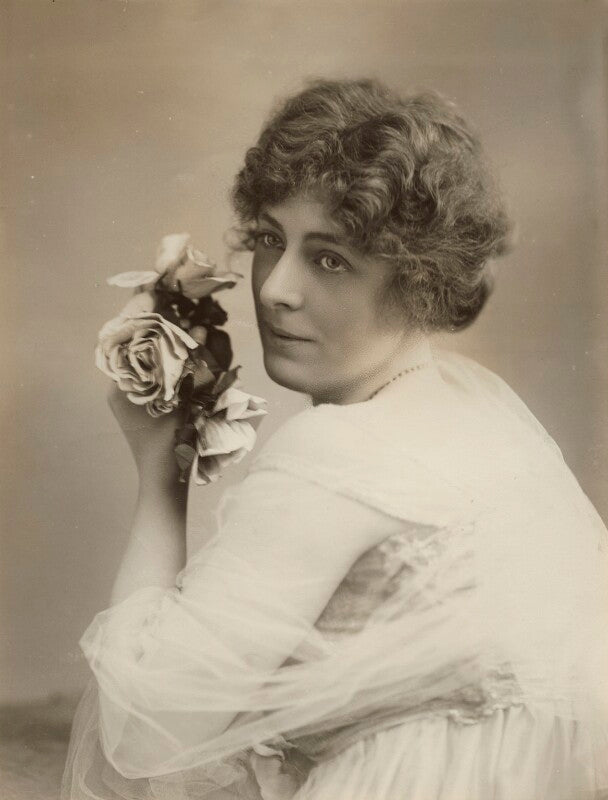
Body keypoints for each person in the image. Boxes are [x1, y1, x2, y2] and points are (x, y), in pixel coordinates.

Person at [61, 78, 608, 800]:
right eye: (269, 240)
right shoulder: (473, 399)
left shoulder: (339, 449)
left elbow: (146, 731)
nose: (274, 289)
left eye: (329, 259)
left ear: (418, 281)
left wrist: (159, 472)